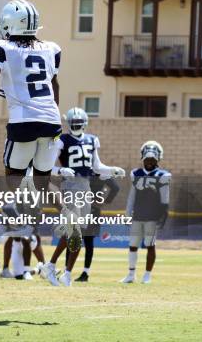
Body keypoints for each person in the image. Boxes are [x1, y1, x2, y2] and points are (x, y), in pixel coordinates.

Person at [0, 0, 63, 285]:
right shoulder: (51, 49)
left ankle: (22, 206)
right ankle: (62, 211)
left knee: (13, 179)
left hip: (24, 123)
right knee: (42, 182)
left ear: (7, 25)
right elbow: (52, 87)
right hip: (52, 121)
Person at [47, 107, 125, 286]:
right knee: (73, 230)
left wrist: (112, 170)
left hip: (86, 188)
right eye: (73, 123)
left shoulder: (92, 140)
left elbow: (97, 167)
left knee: (77, 234)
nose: (76, 126)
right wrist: (60, 170)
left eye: (78, 123)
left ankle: (64, 272)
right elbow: (47, 166)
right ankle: (53, 267)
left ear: (85, 124)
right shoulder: (61, 140)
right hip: (70, 186)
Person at [121, 141, 170, 285]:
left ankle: (147, 275)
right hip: (138, 215)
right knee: (133, 245)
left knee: (150, 245)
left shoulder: (163, 175)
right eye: (147, 159)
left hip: (152, 217)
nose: (149, 162)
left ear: (158, 159)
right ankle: (131, 274)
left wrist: (163, 216)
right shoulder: (136, 174)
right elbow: (132, 195)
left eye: (152, 160)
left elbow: (165, 198)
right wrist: (128, 213)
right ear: (142, 158)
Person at [72, 174, 120, 282]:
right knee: (84, 241)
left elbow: (116, 187)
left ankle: (73, 271)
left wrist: (105, 201)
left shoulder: (87, 171)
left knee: (80, 240)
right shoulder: (99, 171)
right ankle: (83, 272)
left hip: (84, 208)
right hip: (88, 208)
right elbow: (115, 187)